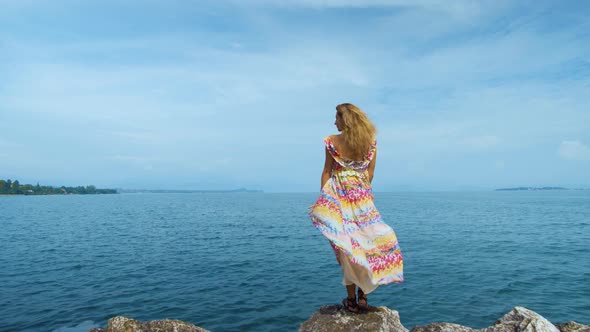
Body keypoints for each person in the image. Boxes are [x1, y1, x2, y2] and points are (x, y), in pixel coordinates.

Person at [309, 103, 404, 313]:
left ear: (346, 119)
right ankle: (363, 297)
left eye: (337, 118)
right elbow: (370, 174)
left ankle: (351, 299)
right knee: (366, 243)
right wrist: (360, 189)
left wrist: (326, 199)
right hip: (362, 197)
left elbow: (326, 171)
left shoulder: (331, 142)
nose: (334, 122)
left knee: (345, 248)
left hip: (339, 197)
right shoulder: (370, 142)